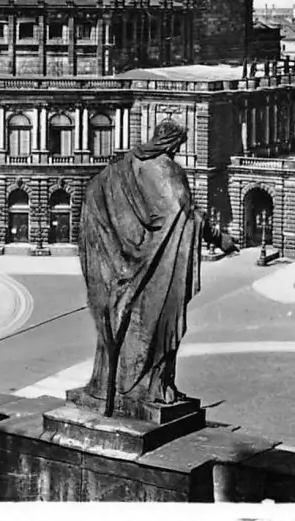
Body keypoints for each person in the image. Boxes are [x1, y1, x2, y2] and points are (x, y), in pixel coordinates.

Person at [75, 120, 212, 419]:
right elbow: (185, 213)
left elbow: (94, 192)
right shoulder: (168, 170)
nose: (178, 150)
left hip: (124, 267)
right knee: (160, 328)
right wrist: (217, 236)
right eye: (179, 144)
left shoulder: (122, 166)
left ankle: (111, 387)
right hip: (159, 268)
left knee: (120, 326)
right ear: (173, 143)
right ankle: (153, 390)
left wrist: (116, 249)